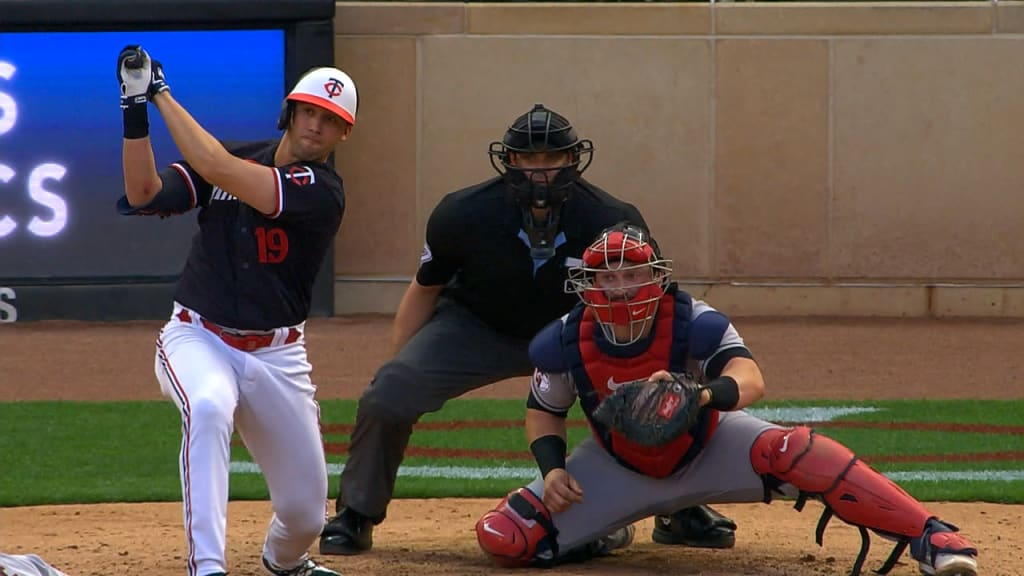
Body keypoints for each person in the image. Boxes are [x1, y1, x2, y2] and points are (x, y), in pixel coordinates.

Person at [319, 104, 736, 555]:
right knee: (390, 392)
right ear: (510, 161)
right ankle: (357, 512)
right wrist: (398, 365)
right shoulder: (462, 213)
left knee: (659, 394)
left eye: (552, 158)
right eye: (530, 159)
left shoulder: (610, 217)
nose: (541, 171)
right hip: (477, 326)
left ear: (573, 160)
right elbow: (425, 287)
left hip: (576, 332)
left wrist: (656, 365)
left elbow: (650, 298)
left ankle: (679, 508)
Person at [474, 223, 980, 576]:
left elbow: (750, 378)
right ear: (591, 283)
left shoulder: (694, 318)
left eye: (633, 275)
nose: (622, 288)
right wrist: (554, 467)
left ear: (656, 277)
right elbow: (544, 409)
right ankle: (604, 533)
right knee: (504, 536)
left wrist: (699, 395)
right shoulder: (566, 338)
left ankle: (931, 535)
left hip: (708, 446)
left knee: (797, 451)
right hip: (615, 464)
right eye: (609, 277)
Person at [115, 45, 355, 576]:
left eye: (331, 119)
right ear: (290, 113)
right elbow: (143, 192)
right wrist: (135, 111)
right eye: (310, 111)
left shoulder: (323, 191)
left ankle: (285, 563)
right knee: (207, 406)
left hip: (278, 357)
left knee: (305, 516)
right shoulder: (239, 156)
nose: (316, 125)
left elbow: (216, 166)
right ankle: (207, 566)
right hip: (198, 337)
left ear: (343, 135)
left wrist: (160, 93)